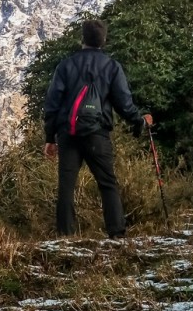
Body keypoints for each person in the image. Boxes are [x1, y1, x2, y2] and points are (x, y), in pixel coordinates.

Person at [43, 18, 153, 239]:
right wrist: (139, 121)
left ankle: (66, 236)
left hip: (68, 133)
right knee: (107, 183)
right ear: (104, 40)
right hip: (97, 134)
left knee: (66, 186)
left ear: (81, 39)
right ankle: (117, 234)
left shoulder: (65, 65)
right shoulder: (112, 66)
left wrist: (50, 138)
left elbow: (52, 104)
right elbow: (124, 102)